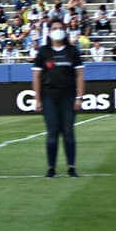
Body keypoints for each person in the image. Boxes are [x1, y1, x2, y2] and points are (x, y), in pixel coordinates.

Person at [31, 19, 85, 177]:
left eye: (61, 28)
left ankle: (71, 167)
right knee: (52, 131)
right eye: (55, 28)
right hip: (49, 96)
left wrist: (79, 97)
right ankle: (51, 168)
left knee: (69, 131)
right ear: (49, 31)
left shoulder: (72, 51)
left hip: (68, 96)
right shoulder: (43, 52)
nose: (58, 30)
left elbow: (80, 75)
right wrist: (38, 99)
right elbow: (36, 76)